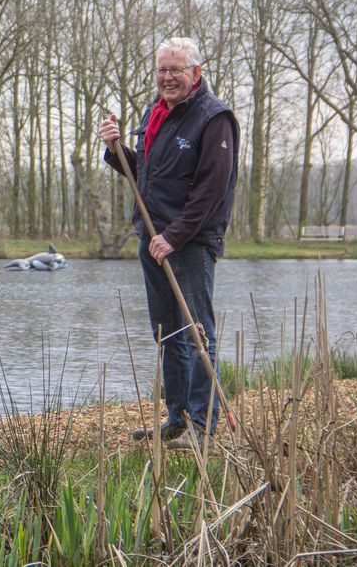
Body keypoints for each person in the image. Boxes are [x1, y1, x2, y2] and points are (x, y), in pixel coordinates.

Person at [98, 37, 239, 450]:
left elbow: (212, 189)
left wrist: (173, 237)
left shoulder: (215, 118)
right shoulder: (155, 113)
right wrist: (114, 148)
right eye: (162, 69)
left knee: (197, 330)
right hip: (151, 237)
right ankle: (177, 416)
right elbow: (146, 173)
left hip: (189, 243)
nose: (167, 77)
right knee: (167, 331)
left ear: (196, 72)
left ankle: (203, 425)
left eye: (176, 69)